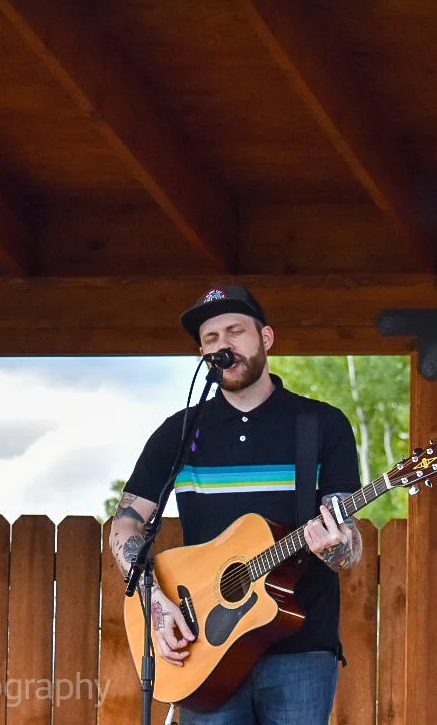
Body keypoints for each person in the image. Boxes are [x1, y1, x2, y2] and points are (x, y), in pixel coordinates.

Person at [109, 284, 364, 725]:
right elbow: (126, 525)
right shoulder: (180, 431)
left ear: (265, 339)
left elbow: (348, 544)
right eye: (210, 339)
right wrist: (158, 603)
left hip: (300, 644)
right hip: (204, 646)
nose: (222, 345)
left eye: (235, 331)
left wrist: (334, 546)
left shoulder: (321, 424)